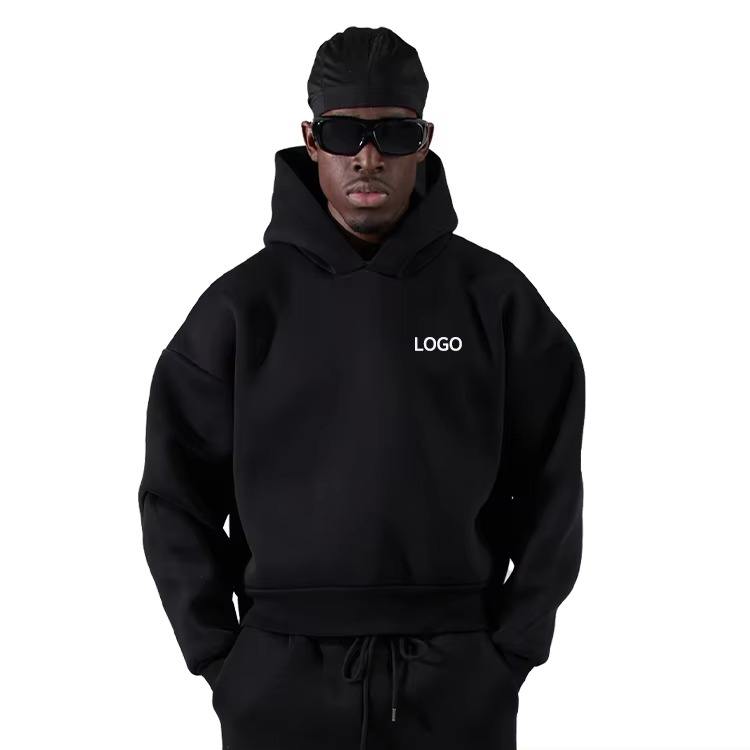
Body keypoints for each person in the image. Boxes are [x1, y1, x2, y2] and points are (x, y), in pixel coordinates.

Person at [138, 25, 586, 750]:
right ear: (311, 140)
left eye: (393, 135)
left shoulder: (496, 301)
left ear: (425, 141)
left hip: (457, 681)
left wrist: (509, 651)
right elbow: (174, 498)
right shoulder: (239, 309)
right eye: (345, 133)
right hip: (279, 684)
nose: (368, 157)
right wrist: (225, 659)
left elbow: (552, 489)